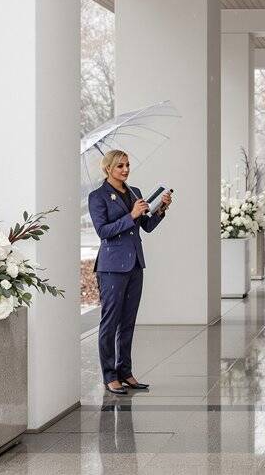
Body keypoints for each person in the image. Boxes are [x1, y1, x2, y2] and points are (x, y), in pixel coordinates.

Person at [88, 149, 172, 395]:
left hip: (135, 264)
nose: (125, 170)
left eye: (126, 165)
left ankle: (125, 372)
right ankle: (109, 375)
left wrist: (160, 210)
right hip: (112, 267)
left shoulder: (134, 192)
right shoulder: (98, 196)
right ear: (108, 169)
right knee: (110, 322)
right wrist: (131, 214)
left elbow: (145, 227)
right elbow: (103, 231)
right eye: (119, 166)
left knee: (128, 322)